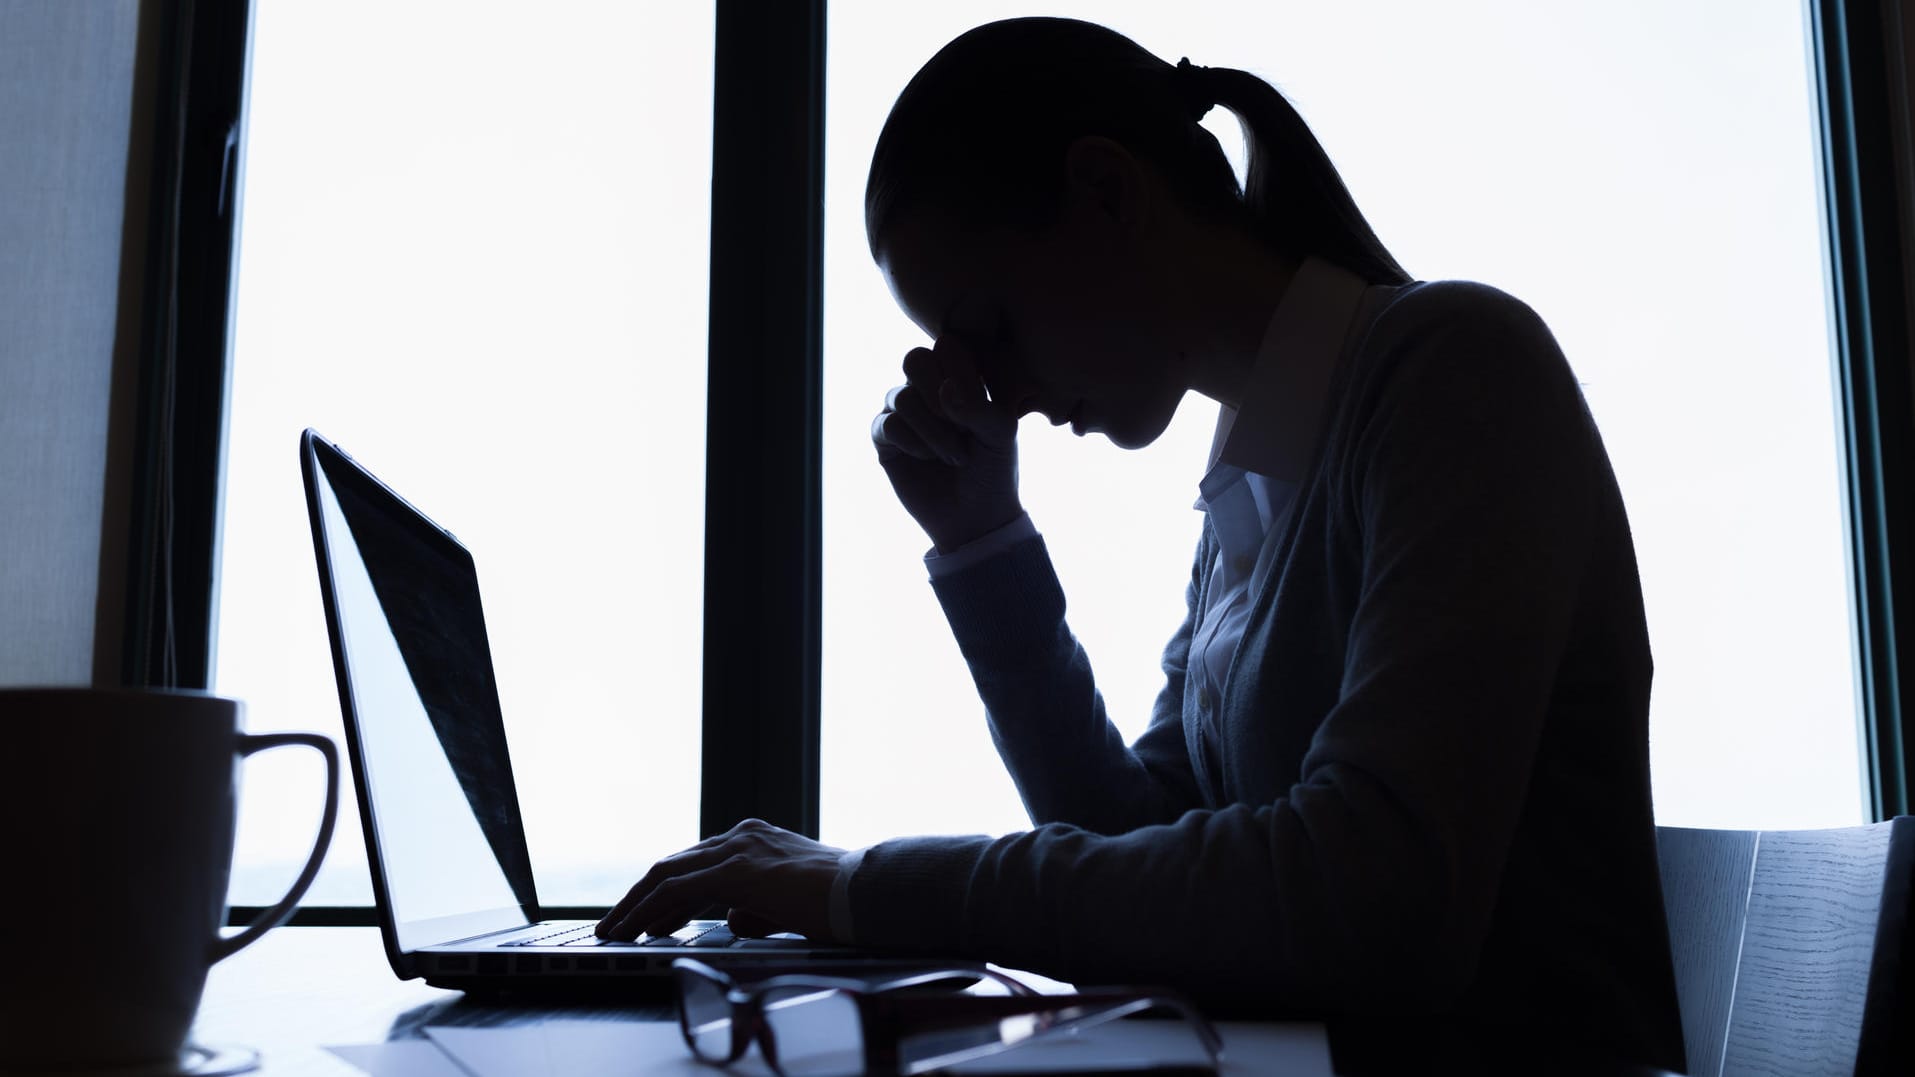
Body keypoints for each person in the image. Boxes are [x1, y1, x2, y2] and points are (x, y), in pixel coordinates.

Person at [600, 17, 1685, 1073]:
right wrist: (984, 547)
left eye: (992, 333)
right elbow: (1141, 844)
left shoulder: (1456, 374)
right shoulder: (1253, 485)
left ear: (1109, 193)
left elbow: (1372, 898)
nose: (1000, 396)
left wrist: (858, 888)